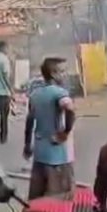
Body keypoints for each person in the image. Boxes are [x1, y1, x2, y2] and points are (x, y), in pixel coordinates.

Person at [23, 57, 76, 200]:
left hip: (40, 155)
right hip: (58, 156)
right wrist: (65, 132)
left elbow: (29, 121)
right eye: (63, 71)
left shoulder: (35, 95)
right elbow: (70, 109)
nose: (66, 75)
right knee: (60, 198)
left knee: (38, 196)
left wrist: (27, 145)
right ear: (53, 74)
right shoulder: (60, 93)